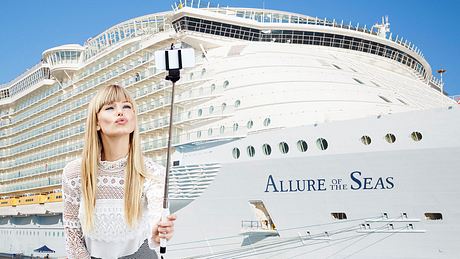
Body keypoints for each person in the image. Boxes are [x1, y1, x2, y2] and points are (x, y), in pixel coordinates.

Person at [62, 84, 176, 259]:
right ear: (97, 122)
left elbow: (156, 211)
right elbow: (73, 238)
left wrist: (157, 231)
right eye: (110, 107)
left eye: (127, 106)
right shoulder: (75, 173)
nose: (120, 112)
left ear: (134, 118)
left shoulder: (152, 172)